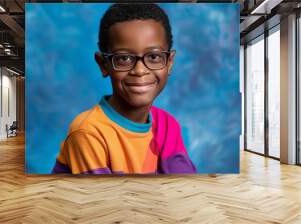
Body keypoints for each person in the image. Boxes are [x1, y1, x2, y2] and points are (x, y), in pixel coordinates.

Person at [52, 3, 196, 174]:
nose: (140, 70)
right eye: (124, 59)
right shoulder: (88, 133)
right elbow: (102, 199)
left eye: (154, 56)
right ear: (104, 64)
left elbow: (185, 184)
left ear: (170, 62)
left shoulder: (166, 125)